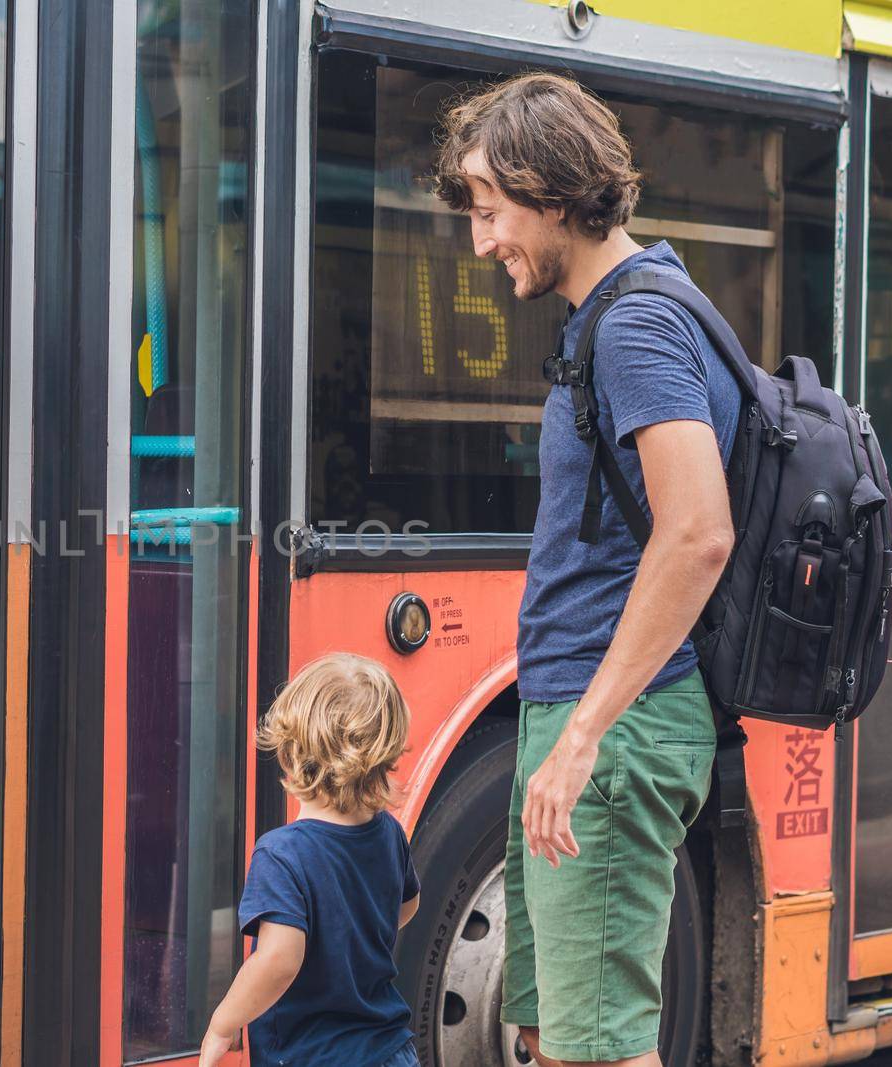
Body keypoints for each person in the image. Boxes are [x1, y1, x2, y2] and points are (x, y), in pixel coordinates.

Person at [431, 72, 740, 1067]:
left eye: (491, 209)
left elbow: (696, 532)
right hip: (578, 720)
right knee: (555, 1036)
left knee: (600, 1050)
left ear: (553, 190)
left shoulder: (637, 325)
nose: (482, 240)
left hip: (611, 734)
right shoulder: (606, 314)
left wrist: (584, 736)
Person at [198, 653, 422, 1067]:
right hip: (392, 1051)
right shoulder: (388, 832)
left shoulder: (282, 854)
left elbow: (280, 960)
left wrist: (223, 1023)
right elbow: (406, 906)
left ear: (291, 752)